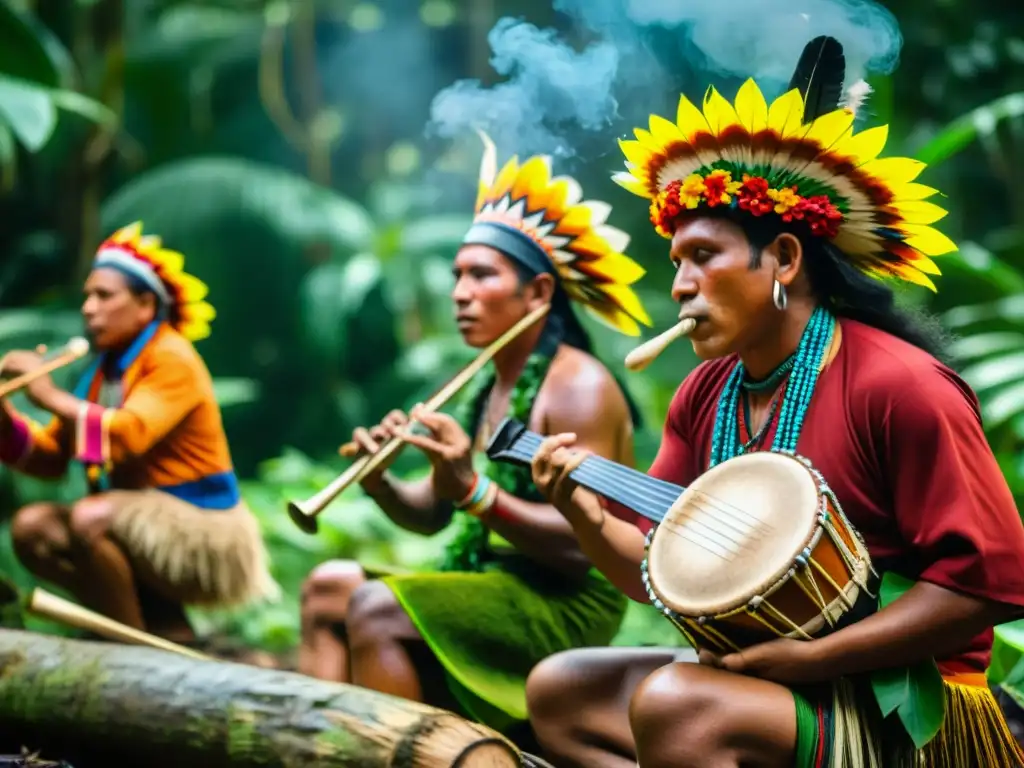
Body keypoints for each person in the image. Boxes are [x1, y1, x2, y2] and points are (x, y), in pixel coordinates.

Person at [522, 40, 1024, 768]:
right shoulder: (707, 393)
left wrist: (813, 659)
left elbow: (992, 585)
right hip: (777, 682)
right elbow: (653, 575)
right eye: (676, 264)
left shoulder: (898, 385)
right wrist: (580, 508)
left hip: (904, 704)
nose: (682, 286)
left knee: (676, 706)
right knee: (563, 689)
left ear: (785, 260)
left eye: (704, 257)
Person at [297, 131, 652, 746]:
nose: (459, 293)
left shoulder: (577, 389)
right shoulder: (483, 383)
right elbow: (435, 518)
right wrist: (380, 481)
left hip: (563, 600)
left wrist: (472, 491)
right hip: (491, 579)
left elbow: (580, 548)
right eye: (458, 275)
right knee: (331, 587)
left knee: (377, 608)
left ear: (539, 293)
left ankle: (402, 758)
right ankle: (318, 754)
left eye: (481, 276)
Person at [2, 222, 277, 643]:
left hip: (203, 528)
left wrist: (47, 395)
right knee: (32, 527)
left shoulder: (171, 357)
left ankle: (130, 645)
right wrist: (4, 414)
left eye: (104, 296)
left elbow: (127, 435)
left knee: (90, 517)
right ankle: (151, 626)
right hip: (136, 516)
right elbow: (48, 460)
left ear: (146, 304)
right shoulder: (104, 371)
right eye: (87, 297)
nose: (89, 309)